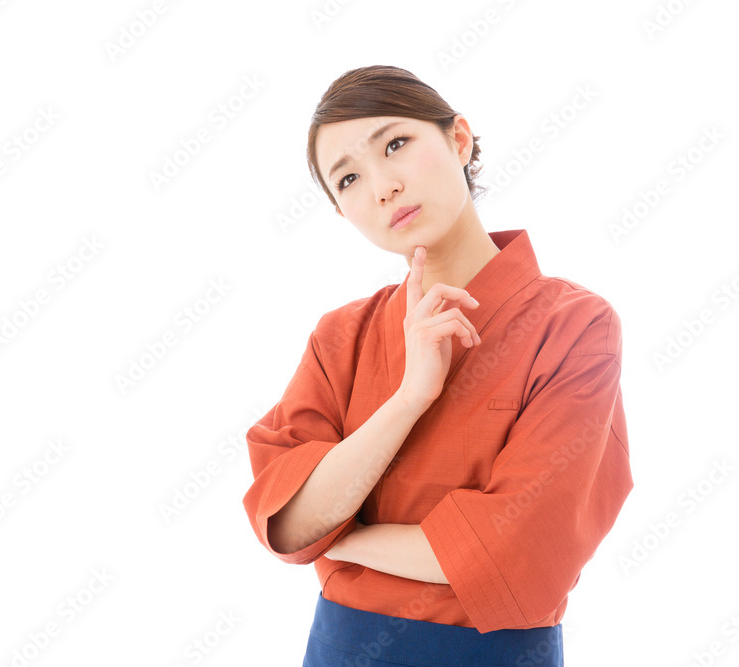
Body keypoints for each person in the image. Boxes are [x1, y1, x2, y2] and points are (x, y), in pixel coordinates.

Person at [241, 65, 634, 666]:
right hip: (341, 647)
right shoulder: (340, 337)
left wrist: (347, 537)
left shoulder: (573, 326)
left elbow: (519, 551)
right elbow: (290, 522)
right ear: (342, 213)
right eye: (348, 179)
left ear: (458, 139)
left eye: (395, 144)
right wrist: (409, 398)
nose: (382, 187)